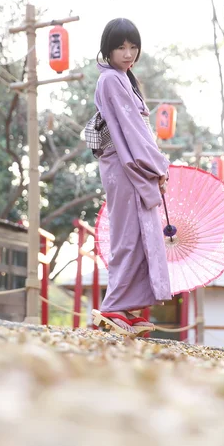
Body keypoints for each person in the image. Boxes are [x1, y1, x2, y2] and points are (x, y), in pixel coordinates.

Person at [91, 18, 171, 335]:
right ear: (108, 50)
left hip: (133, 165)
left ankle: (127, 307)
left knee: (141, 235)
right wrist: (159, 166)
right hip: (126, 167)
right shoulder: (110, 80)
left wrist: (154, 167)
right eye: (121, 47)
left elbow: (138, 132)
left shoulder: (124, 79)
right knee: (127, 235)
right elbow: (135, 132)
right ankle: (113, 305)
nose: (128, 53)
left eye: (133, 46)